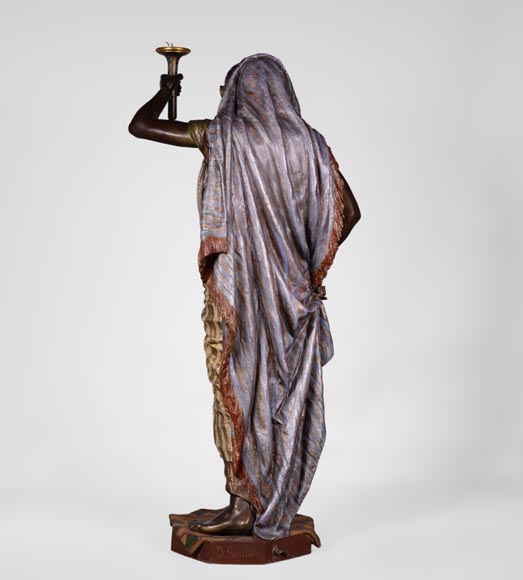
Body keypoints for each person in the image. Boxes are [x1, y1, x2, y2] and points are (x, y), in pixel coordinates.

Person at [128, 53, 360, 540]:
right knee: (274, 392)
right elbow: (349, 212)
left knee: (236, 384)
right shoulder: (310, 145)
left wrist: (167, 91)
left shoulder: (223, 136)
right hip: (291, 298)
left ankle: (242, 506)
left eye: (227, 88)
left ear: (238, 92)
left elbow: (142, 126)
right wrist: (309, 271)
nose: (222, 97)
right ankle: (257, 499)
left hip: (237, 292)